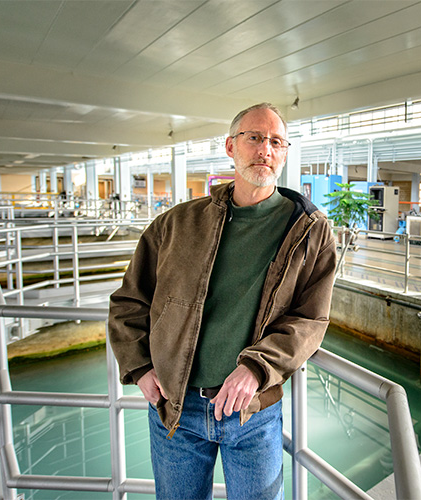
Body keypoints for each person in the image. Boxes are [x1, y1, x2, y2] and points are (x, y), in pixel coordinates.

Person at [108, 102, 337, 500]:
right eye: (254, 138)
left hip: (253, 412)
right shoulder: (176, 224)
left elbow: (310, 320)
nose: (265, 149)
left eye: (276, 142)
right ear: (231, 146)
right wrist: (140, 366)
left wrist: (256, 367)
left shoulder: (310, 231)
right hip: (174, 409)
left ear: (284, 153)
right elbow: (129, 301)